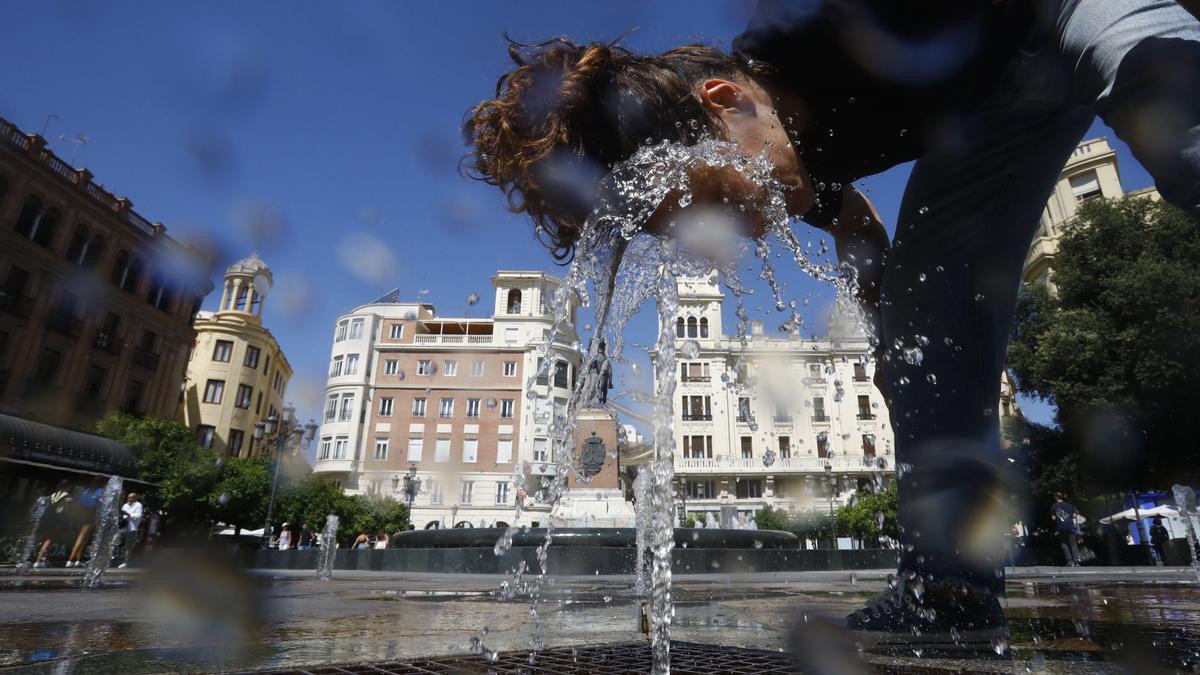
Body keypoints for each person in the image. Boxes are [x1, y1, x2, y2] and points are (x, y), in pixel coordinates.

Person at [463, 0, 1200, 647]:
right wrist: (892, 322)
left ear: (724, 100)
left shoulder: (822, 16)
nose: (738, 233)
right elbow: (855, 222)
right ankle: (946, 593)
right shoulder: (781, 155)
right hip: (986, 119)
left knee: (1173, 109)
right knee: (923, 336)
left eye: (718, 203)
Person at [33, 480, 73, 568]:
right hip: (56, 520)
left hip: (46, 517)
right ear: (68, 487)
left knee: (45, 539)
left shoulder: (53, 494)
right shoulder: (67, 496)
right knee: (49, 540)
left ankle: (43, 559)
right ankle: (38, 561)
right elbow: (67, 510)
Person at [66, 480, 103, 568]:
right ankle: (70, 560)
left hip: (81, 515)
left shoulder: (86, 490)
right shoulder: (100, 491)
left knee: (84, 539)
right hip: (91, 515)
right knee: (81, 537)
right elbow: (101, 505)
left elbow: (80, 501)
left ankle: (78, 560)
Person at [1051, 493, 1082, 566]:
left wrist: (1058, 518)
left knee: (1064, 543)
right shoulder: (1069, 505)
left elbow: (1053, 518)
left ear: (1056, 497)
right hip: (1070, 527)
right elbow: (1075, 515)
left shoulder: (1054, 506)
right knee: (1073, 544)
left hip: (1061, 527)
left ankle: (1069, 561)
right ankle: (1076, 562)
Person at [117, 492, 143, 568]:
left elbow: (138, 516)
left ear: (135, 498)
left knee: (129, 547)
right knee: (114, 543)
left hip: (132, 529)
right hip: (123, 528)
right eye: (129, 497)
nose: (130, 499)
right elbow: (122, 515)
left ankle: (126, 563)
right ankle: (109, 559)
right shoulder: (125, 505)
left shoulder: (138, 505)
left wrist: (129, 515)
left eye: (132, 498)